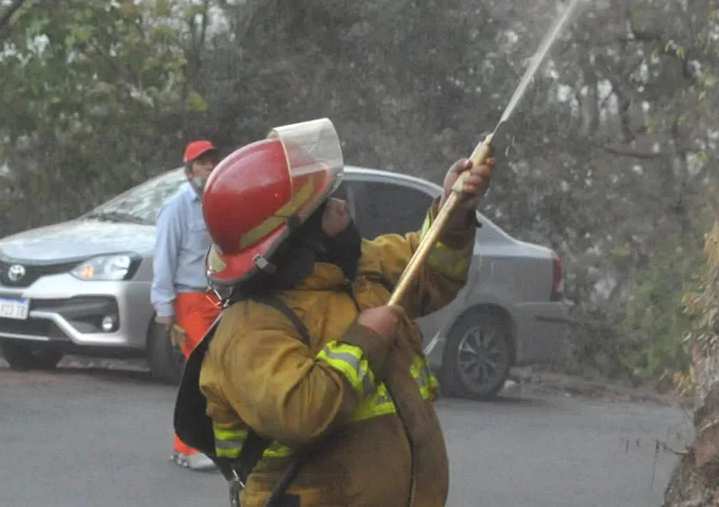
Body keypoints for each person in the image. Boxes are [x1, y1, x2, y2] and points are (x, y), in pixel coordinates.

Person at [172, 118, 495, 507]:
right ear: (296, 237)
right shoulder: (250, 330)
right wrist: (365, 340)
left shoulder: (354, 268)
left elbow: (431, 270)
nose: (342, 207)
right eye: (326, 206)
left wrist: (454, 209)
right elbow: (301, 412)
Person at [152, 138, 225, 471]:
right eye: (201, 162)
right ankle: (188, 447)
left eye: (212, 160)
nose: (208, 167)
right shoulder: (176, 207)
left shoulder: (219, 201)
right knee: (200, 374)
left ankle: (195, 445)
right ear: (188, 170)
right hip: (190, 299)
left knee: (214, 373)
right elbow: (164, 258)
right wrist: (164, 309)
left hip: (216, 296)